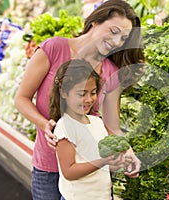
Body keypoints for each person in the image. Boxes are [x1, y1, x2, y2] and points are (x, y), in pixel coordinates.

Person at [14, 0, 144, 199]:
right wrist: (44, 124)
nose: (117, 42)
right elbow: (21, 98)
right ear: (96, 22)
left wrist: (128, 152)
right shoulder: (54, 48)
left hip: (90, 174)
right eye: (114, 31)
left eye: (124, 39)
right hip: (48, 168)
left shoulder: (111, 73)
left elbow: (112, 127)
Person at [50, 59, 128, 200]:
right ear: (63, 93)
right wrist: (103, 161)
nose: (89, 99)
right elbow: (69, 171)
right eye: (81, 94)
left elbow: (101, 163)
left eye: (93, 93)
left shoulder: (97, 122)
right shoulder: (65, 127)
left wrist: (120, 161)